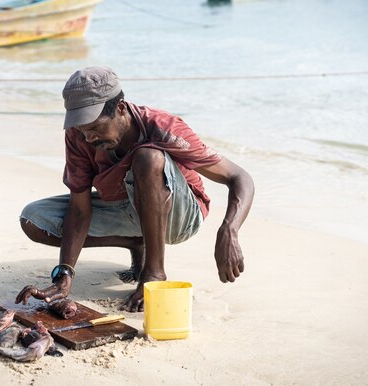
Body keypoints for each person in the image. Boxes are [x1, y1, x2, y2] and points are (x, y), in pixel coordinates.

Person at [15, 66, 254, 313]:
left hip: (179, 217)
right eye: (82, 129)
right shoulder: (78, 136)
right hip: (124, 208)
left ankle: (154, 272)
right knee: (34, 220)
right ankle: (136, 242)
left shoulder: (161, 127)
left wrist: (229, 229)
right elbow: (79, 209)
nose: (89, 138)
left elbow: (239, 177)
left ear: (120, 108)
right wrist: (65, 273)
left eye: (95, 128)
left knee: (147, 157)